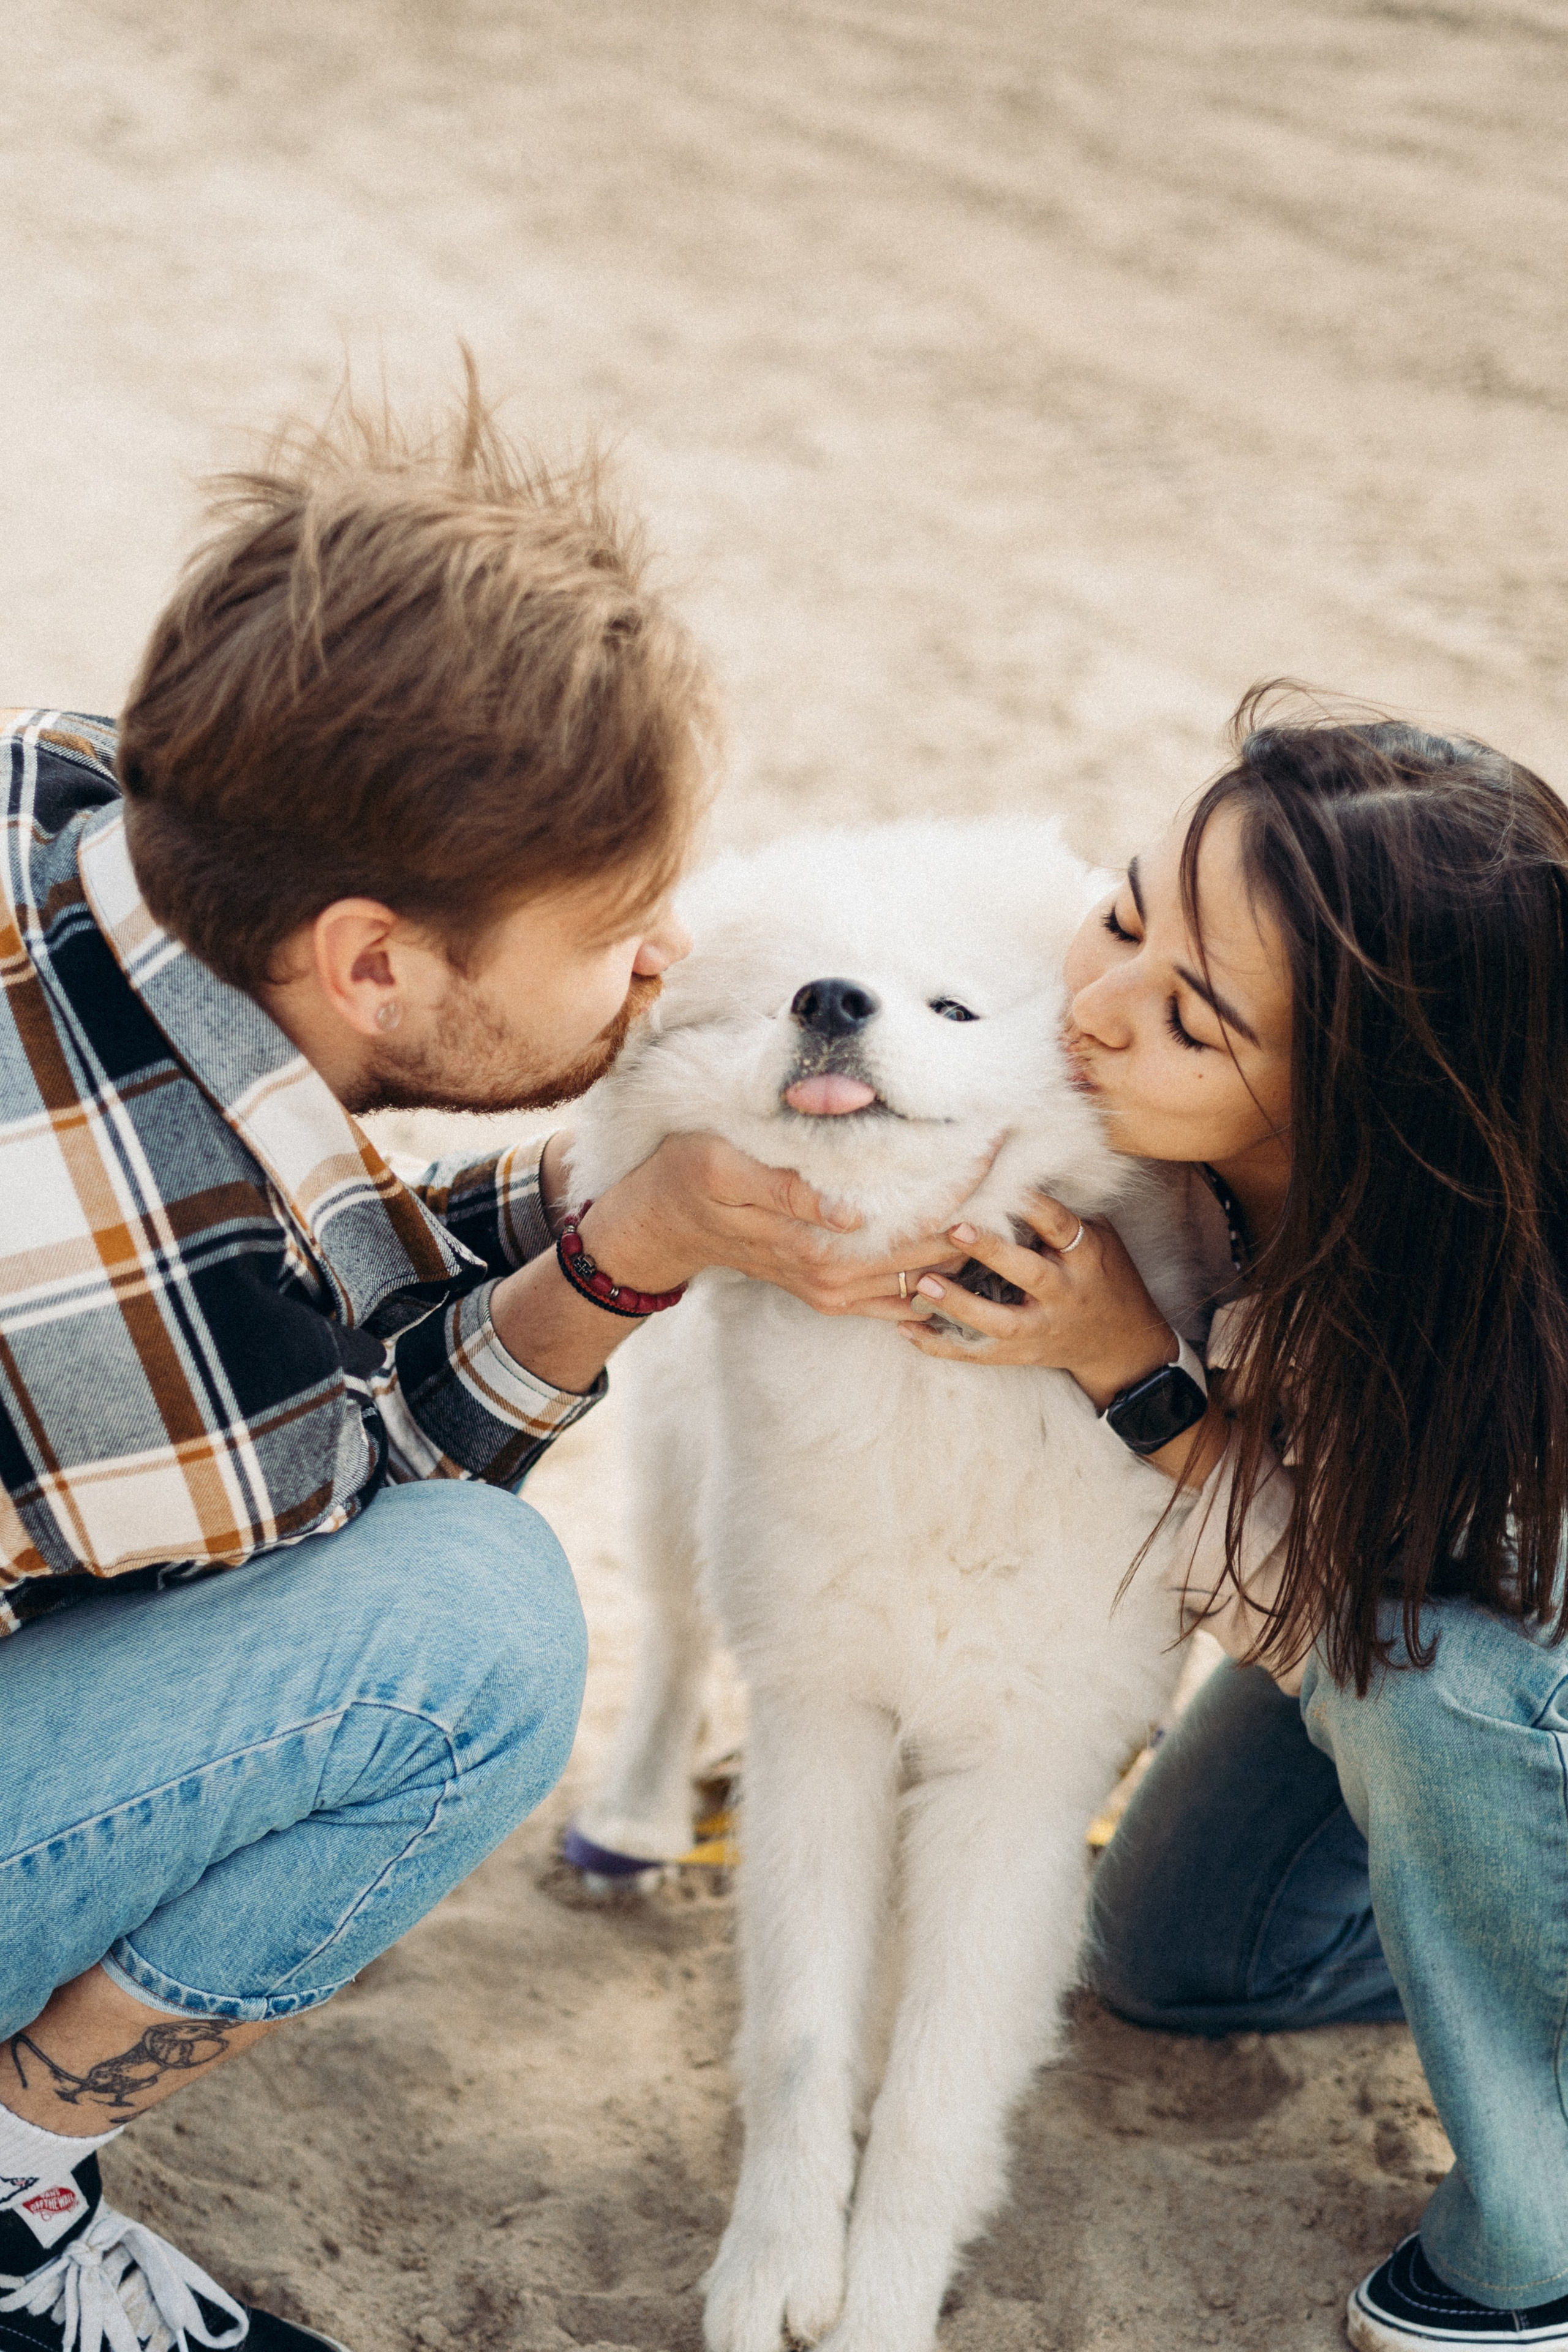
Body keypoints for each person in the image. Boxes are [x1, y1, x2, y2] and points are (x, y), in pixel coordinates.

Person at [0, 380, 947, 2352]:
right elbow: (350, 1492)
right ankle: (9, 2187)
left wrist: (624, 1197)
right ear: (370, 963)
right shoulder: (160, 1335)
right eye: (612, 931)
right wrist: (639, 1249)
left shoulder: (73, 797)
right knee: (469, 1646)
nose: (668, 959)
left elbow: (282, 1244)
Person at [897, 687, 1568, 2351]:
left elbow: (1350, 1620)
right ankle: (1490, 1936)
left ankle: (1540, 2241)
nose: (1102, 1007)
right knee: (1181, 1959)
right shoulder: (1210, 1154)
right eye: (1124, 914)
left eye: (1192, 1022)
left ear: (1366, 1104)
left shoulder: (1488, 1318)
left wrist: (1141, 1377)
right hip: (1396, 1624)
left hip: (1499, 1661)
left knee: (1415, 1691)